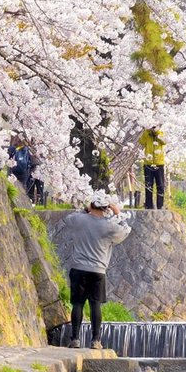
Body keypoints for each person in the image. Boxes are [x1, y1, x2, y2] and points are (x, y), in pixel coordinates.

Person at [66, 191, 132, 349]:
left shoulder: (79, 220)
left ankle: (75, 339)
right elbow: (125, 231)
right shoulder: (109, 226)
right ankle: (96, 341)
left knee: (78, 304)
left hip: (78, 268)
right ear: (105, 208)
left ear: (92, 205)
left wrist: (85, 210)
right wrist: (118, 214)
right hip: (98, 271)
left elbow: (69, 219)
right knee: (95, 304)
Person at [139, 128, 166, 209]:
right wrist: (147, 131)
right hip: (148, 163)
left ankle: (160, 206)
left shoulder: (160, 133)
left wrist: (157, 132)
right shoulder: (147, 134)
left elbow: (164, 142)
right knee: (148, 186)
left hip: (159, 164)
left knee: (160, 186)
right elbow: (141, 142)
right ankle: (148, 206)